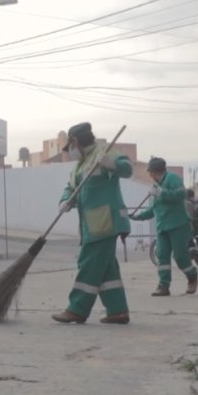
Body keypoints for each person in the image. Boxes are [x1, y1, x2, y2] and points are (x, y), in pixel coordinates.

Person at [52, 122, 133, 325]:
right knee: (106, 269)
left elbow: (128, 169)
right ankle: (118, 311)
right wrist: (65, 200)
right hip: (91, 223)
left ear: (75, 141)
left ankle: (77, 309)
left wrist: (112, 164)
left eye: (69, 147)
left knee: (88, 263)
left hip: (106, 221)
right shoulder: (80, 164)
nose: (70, 152)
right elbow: (72, 186)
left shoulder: (105, 152)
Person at [130, 157, 198, 296]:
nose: (150, 176)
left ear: (154, 172)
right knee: (162, 256)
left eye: (150, 172)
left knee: (180, 256)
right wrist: (137, 216)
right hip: (162, 227)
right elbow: (153, 209)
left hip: (178, 225)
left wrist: (163, 193)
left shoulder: (172, 179)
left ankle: (192, 278)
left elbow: (181, 194)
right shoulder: (156, 187)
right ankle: (163, 285)